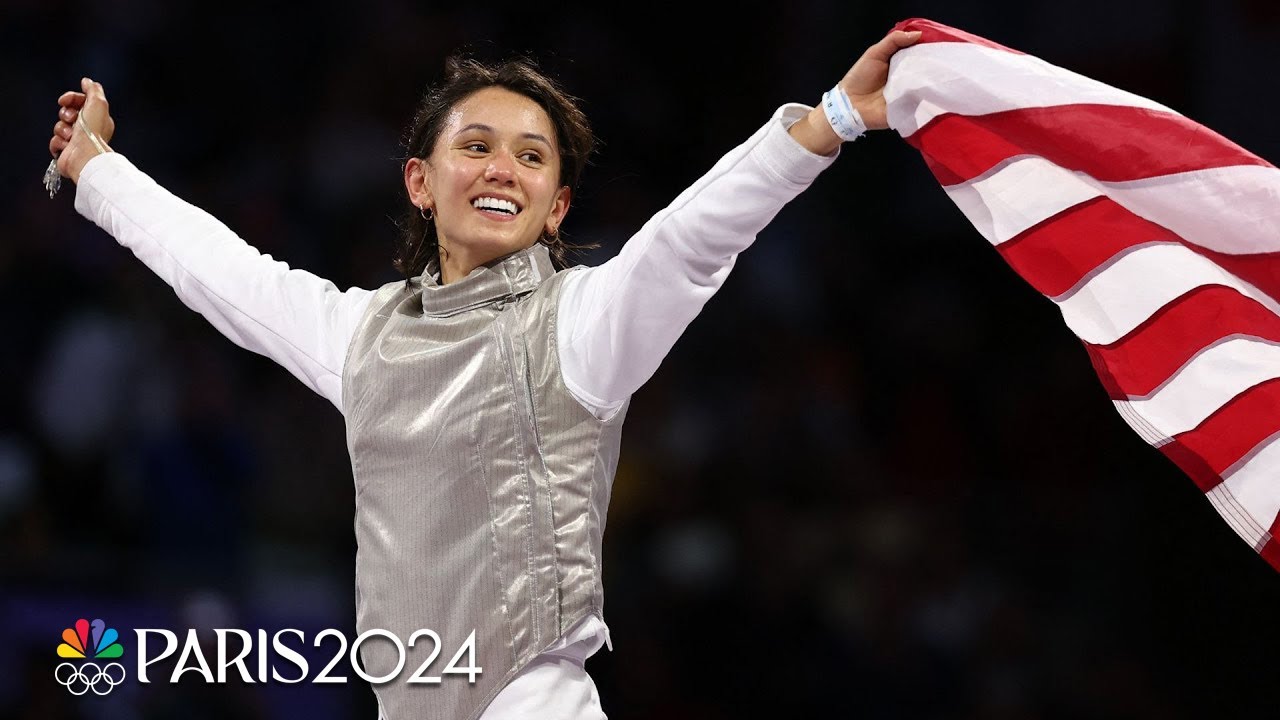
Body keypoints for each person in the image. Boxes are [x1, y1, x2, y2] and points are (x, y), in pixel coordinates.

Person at [47, 26, 922, 720]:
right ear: (421, 182)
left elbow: (691, 240)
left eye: (533, 157)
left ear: (558, 207)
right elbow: (224, 272)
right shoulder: (365, 336)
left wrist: (828, 121)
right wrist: (96, 168)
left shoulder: (580, 326)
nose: (504, 168)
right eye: (477, 146)